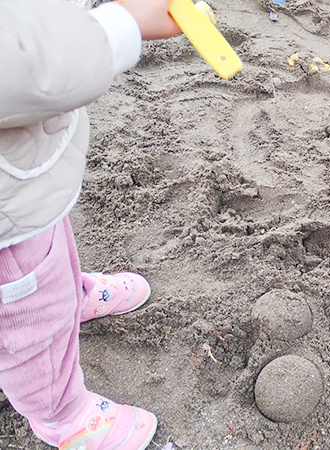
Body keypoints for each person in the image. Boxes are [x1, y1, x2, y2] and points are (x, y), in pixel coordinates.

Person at [0, 0, 180, 448]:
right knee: (22, 309)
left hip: (23, 175)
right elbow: (16, 64)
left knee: (48, 243)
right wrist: (119, 26)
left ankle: (67, 297)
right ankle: (61, 417)